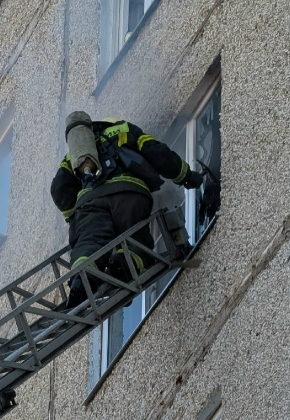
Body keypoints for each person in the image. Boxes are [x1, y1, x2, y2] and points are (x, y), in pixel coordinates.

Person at [50, 111, 204, 308]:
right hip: (129, 195)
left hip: (90, 202)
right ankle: (121, 267)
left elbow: (59, 188)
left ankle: (82, 280)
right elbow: (158, 153)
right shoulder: (124, 129)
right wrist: (186, 176)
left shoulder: (73, 156)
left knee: (89, 244)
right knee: (135, 240)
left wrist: (74, 216)